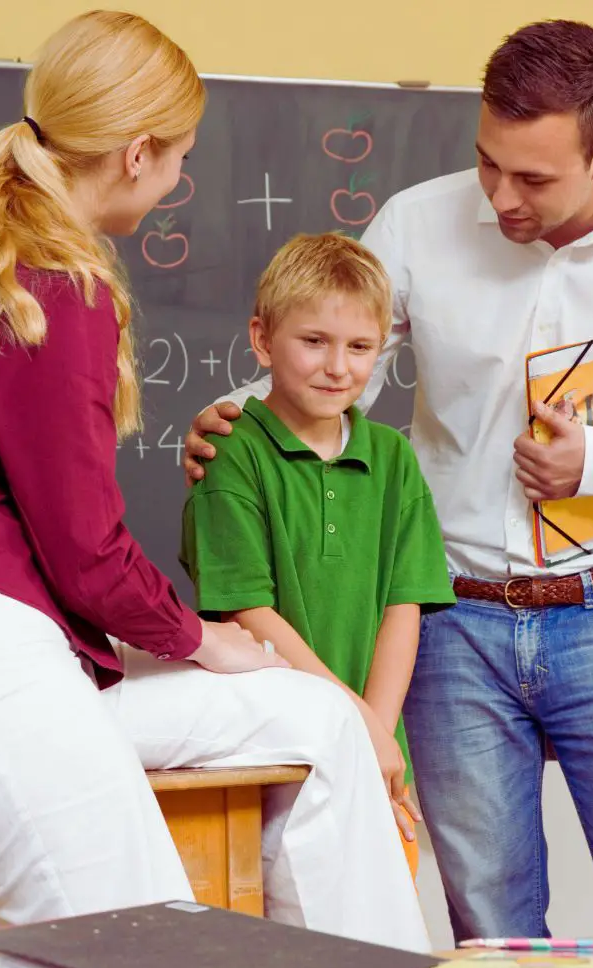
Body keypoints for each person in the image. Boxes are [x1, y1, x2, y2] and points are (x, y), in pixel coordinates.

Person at [0, 10, 429, 952]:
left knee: (316, 718)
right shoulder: (47, 277)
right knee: (145, 960)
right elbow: (84, 548)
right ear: (137, 153)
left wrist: (200, 647)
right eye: (181, 156)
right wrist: (195, 638)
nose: (181, 179)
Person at [184, 19, 593, 943]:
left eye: (533, 177)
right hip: (452, 622)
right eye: (488, 161)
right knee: (488, 921)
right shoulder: (419, 220)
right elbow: (338, 367)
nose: (500, 195)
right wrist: (242, 425)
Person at [179, 233, 455, 874]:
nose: (338, 367)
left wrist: (378, 736)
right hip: (272, 749)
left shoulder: (392, 457)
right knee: (285, 933)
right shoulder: (232, 451)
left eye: (360, 347)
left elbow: (402, 605)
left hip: (378, 752)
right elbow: (250, 611)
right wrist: (354, 723)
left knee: (385, 934)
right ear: (262, 339)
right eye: (314, 342)